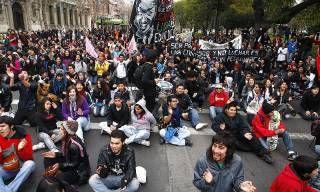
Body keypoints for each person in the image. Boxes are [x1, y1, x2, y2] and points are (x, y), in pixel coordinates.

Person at [41, 120, 91, 187]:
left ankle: (54, 179)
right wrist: (56, 154)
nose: (59, 131)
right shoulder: (66, 138)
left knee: (58, 178)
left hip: (77, 170)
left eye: (61, 129)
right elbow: (67, 154)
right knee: (48, 158)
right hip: (68, 162)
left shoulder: (74, 146)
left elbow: (75, 164)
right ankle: (50, 174)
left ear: (67, 132)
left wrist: (60, 165)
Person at [0, 116, 35, 192]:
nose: (0, 129)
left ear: (11, 126)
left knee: (30, 164)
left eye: (3, 126)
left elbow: (29, 158)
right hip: (7, 168)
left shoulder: (24, 136)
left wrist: (21, 149)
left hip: (21, 166)